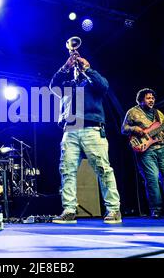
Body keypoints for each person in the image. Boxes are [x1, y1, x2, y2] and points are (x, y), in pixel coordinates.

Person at [49, 50, 122, 224]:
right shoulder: (66, 86)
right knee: (67, 171)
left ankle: (113, 209)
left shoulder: (92, 83)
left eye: (77, 66)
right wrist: (65, 67)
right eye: (75, 67)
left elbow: (103, 85)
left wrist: (87, 68)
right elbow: (53, 85)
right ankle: (69, 210)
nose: (76, 68)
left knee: (103, 169)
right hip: (70, 130)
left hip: (92, 129)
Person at [121, 88, 164, 219]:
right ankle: (156, 209)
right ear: (140, 100)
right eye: (148, 98)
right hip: (145, 150)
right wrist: (136, 129)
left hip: (161, 148)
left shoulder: (159, 114)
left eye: (152, 98)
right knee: (152, 179)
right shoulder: (133, 112)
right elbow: (124, 129)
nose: (151, 100)